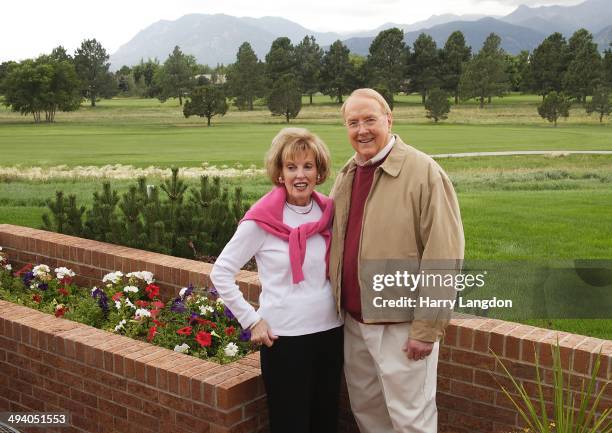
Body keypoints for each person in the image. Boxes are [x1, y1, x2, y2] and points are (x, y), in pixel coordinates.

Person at [329, 88, 465, 433]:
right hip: (354, 324)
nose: (362, 130)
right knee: (368, 412)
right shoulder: (347, 174)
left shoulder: (424, 173)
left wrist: (426, 329)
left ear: (389, 120)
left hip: (402, 328)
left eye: (370, 120)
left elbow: (444, 254)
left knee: (410, 419)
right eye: (353, 122)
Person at [210, 127, 343, 433]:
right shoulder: (263, 220)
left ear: (319, 172)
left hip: (331, 333)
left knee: (325, 420)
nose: (300, 175)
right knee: (290, 423)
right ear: (280, 173)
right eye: (291, 167)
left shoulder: (329, 214)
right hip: (285, 339)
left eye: (308, 166)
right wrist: (251, 320)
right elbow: (221, 272)